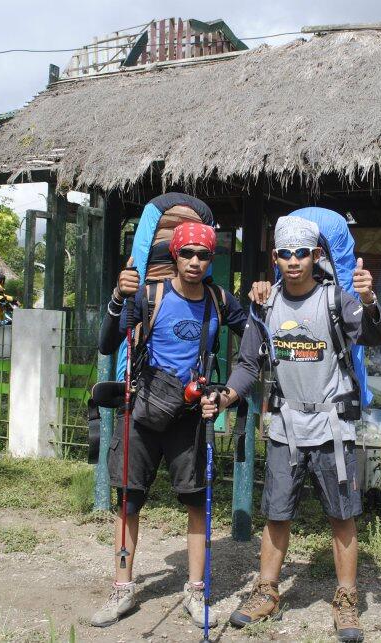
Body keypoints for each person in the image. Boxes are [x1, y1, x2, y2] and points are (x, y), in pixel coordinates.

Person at [201, 215, 381, 643]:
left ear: (316, 256)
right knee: (277, 512)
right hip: (285, 426)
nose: (294, 261)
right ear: (275, 257)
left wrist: (371, 299)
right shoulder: (265, 305)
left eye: (302, 253)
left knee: (342, 516)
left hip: (331, 428)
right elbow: (248, 363)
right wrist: (226, 397)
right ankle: (266, 591)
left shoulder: (337, 300)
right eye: (285, 253)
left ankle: (346, 598)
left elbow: (375, 337)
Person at [91, 221, 247, 629]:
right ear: (174, 256)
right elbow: (107, 342)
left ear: (212, 260)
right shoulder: (148, 295)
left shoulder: (219, 300)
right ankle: (123, 589)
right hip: (141, 411)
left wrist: (226, 392)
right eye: (187, 253)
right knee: (128, 501)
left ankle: (196, 591)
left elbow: (254, 343)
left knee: (197, 503)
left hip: (190, 416)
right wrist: (116, 297)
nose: (195, 262)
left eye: (203, 255)